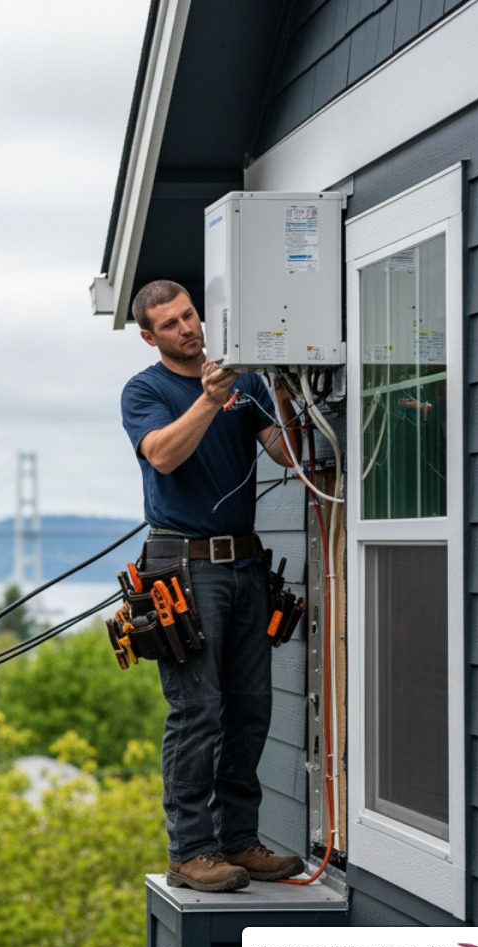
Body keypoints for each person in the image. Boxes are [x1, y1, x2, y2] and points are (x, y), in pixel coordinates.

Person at [120, 279, 306, 893]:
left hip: (246, 564)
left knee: (250, 709)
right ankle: (190, 851)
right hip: (184, 568)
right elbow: (163, 455)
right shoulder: (145, 390)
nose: (187, 328)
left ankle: (238, 840)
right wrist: (208, 401)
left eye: (189, 315)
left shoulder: (244, 383)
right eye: (170, 324)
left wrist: (282, 385)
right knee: (197, 710)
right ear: (149, 337)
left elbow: (286, 454)